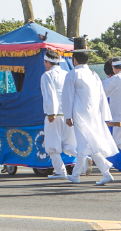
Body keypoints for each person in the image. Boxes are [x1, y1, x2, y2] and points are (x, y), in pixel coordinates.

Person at [62, 37, 119, 186]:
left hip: (80, 114)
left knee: (85, 143)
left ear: (74, 59)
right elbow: (102, 96)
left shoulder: (72, 74)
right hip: (94, 114)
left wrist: (67, 116)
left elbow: (67, 97)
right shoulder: (94, 74)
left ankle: (103, 170)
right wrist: (104, 115)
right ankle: (79, 175)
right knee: (85, 144)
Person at [40, 49, 76, 179]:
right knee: (70, 144)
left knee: (52, 145)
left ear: (47, 62)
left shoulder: (47, 75)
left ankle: (60, 172)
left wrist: (51, 113)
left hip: (54, 115)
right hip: (67, 114)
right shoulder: (67, 74)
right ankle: (85, 158)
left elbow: (50, 95)